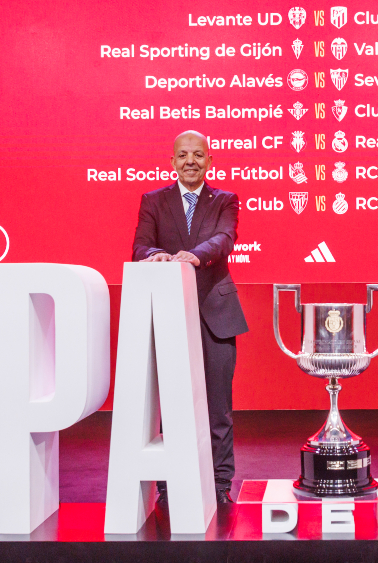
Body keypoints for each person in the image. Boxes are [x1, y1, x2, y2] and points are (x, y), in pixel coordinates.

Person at [132, 130, 248, 505]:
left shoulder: (225, 200)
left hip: (216, 313)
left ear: (209, 161)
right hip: (171, 313)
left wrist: (195, 255)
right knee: (173, 403)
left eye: (198, 154)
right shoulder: (153, 200)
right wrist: (154, 255)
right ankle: (170, 483)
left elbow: (225, 239)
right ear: (172, 161)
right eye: (183, 155)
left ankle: (220, 483)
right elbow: (139, 246)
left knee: (218, 407)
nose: (190, 161)